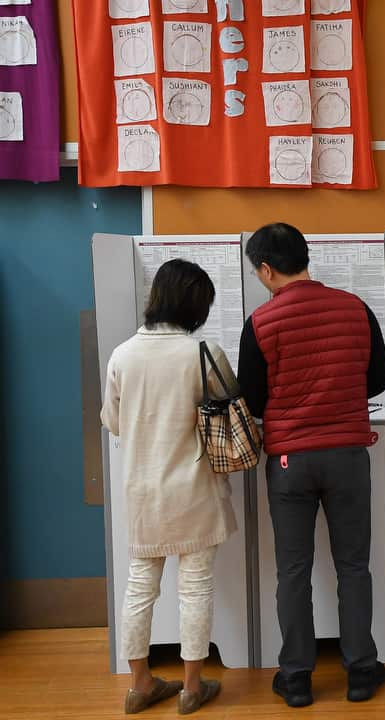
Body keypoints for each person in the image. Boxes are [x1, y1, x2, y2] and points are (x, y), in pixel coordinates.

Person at [238, 223, 385, 707]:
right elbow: (378, 380)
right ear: (306, 258)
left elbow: (253, 398)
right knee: (353, 566)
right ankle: (362, 672)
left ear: (266, 269)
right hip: (348, 454)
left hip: (289, 461)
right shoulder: (356, 309)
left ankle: (297, 678)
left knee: (293, 571)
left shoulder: (261, 322)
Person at [101, 259, 234, 715]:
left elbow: (113, 421)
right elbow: (230, 408)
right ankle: (192, 687)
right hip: (194, 488)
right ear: (195, 305)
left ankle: (140, 684)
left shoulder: (122, 354)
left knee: (140, 586)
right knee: (195, 588)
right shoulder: (204, 354)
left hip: (142, 490)